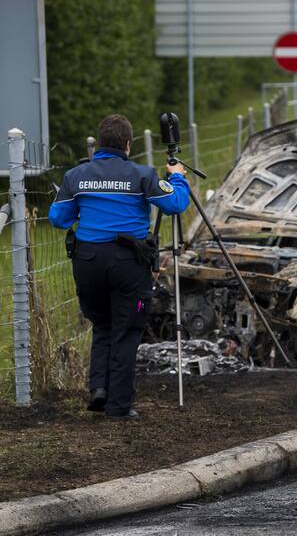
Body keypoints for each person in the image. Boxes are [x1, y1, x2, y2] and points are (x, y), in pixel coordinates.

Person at [48, 115, 190, 420]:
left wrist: (87, 214)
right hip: (128, 264)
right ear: (128, 144)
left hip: (87, 262)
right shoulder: (142, 175)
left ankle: (99, 389)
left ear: (99, 143)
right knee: (127, 330)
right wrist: (177, 176)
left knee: (102, 324)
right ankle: (119, 406)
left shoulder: (75, 176)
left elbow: (58, 219)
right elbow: (176, 204)